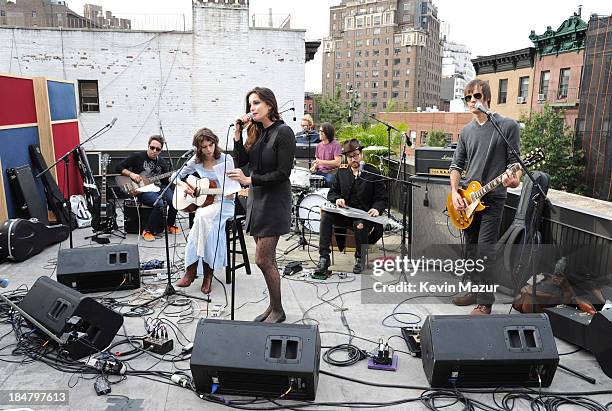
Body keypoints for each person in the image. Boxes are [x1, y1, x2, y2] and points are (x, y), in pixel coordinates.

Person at [449, 78, 521, 315]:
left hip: (493, 199)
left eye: (476, 96)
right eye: (468, 97)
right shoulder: (467, 131)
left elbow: (515, 164)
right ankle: (472, 291)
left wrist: (515, 178)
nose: (472, 101)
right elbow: (456, 165)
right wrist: (455, 193)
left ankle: (485, 303)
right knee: (470, 249)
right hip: (468, 199)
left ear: (487, 98)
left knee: (485, 250)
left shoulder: (507, 126)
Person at [227, 87, 296, 323]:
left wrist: (249, 180)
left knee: (262, 259)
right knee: (269, 261)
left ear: (269, 105)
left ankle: (278, 310)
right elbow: (243, 162)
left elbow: (283, 173)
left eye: (256, 103)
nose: (252, 108)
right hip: (257, 199)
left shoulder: (283, 132)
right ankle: (274, 306)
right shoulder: (258, 132)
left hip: (275, 201)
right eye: (249, 105)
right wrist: (238, 134)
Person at [313, 139, 388, 275]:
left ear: (361, 154)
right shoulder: (342, 172)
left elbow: (382, 197)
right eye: (350, 157)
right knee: (326, 217)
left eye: (355, 155)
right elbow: (332, 192)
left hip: (364, 216)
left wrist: (377, 208)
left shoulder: (372, 172)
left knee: (360, 224)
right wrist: (337, 199)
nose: (353, 159)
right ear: (346, 158)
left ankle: (360, 258)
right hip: (345, 214)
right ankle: (324, 257)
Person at [174, 128, 235, 294]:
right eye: (204, 146)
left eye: (211, 144)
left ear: (215, 142)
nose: (209, 149)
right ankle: (202, 271)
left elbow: (233, 186)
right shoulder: (196, 161)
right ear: (198, 148)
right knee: (203, 221)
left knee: (201, 219)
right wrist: (183, 185)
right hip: (206, 204)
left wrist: (231, 191)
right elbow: (175, 176)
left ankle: (195, 271)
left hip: (225, 203)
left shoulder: (225, 159)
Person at [116, 135, 179, 241]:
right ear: (148, 146)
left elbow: (164, 182)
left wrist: (172, 177)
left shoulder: (162, 162)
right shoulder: (137, 156)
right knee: (159, 204)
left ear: (160, 150)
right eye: (152, 147)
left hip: (158, 187)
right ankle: (147, 230)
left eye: (157, 149)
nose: (154, 151)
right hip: (141, 189)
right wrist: (131, 174)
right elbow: (118, 167)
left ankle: (170, 225)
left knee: (175, 201)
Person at [310, 122, 342, 187]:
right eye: (319, 131)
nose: (320, 133)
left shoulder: (336, 145)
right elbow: (318, 161)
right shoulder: (318, 146)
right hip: (319, 171)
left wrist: (321, 162)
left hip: (331, 172)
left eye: (322, 131)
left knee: (329, 181)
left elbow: (338, 162)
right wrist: (314, 167)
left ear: (328, 133)